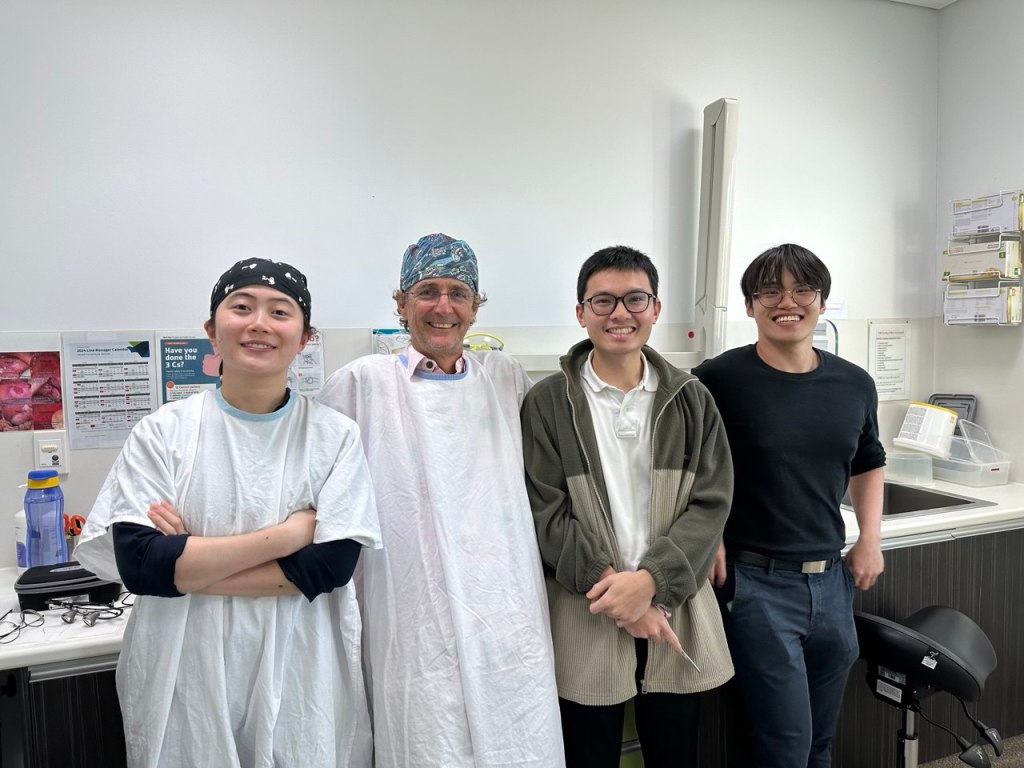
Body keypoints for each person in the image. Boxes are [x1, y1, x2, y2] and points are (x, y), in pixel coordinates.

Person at [76, 258, 381, 768]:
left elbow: (330, 567)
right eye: (241, 307)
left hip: (300, 667)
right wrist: (291, 535)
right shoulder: (163, 434)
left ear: (305, 338)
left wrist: (185, 564)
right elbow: (140, 566)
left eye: (279, 311)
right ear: (211, 331)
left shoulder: (334, 437)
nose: (259, 323)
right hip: (182, 666)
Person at [316, 233, 564, 768]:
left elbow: (548, 481)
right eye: (427, 291)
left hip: (506, 610)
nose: (443, 306)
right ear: (401, 303)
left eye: (458, 293)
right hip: (409, 611)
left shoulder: (505, 379)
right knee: (425, 736)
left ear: (476, 307)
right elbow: (313, 495)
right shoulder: (360, 384)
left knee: (518, 735)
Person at [521, 245, 734, 768]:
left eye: (635, 299)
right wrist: (617, 591)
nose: (620, 313)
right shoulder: (547, 403)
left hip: (675, 606)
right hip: (586, 608)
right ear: (581, 313)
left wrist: (649, 584)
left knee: (674, 753)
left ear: (656, 308)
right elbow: (545, 512)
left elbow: (711, 503)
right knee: (587, 753)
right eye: (603, 301)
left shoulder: (692, 398)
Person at [693, 243, 885, 768]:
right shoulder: (716, 380)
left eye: (802, 290)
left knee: (819, 741)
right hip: (756, 583)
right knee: (787, 745)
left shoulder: (854, 383)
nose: (787, 302)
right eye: (770, 292)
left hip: (832, 581)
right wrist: (709, 534)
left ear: (821, 302)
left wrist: (870, 537)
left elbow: (868, 462)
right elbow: (687, 467)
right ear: (749, 305)